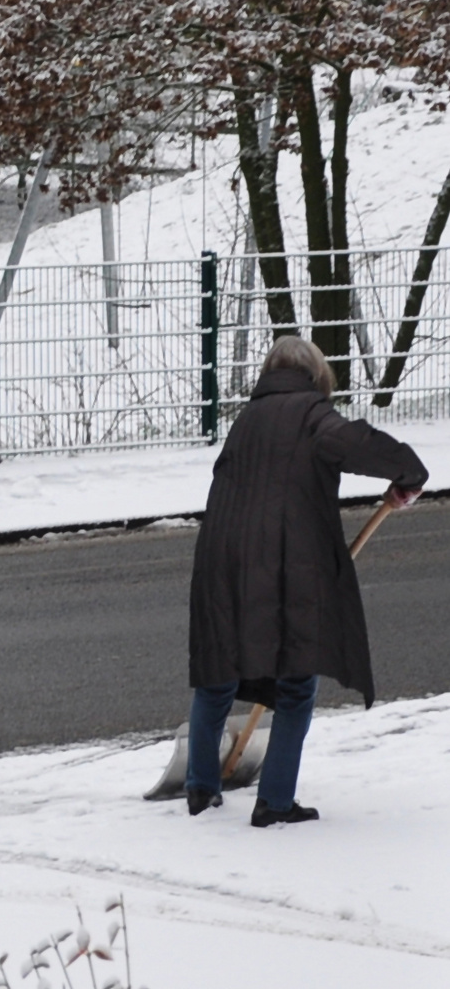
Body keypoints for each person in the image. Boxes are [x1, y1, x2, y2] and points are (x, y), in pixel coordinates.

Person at [187, 335, 425, 826]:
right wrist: (409, 473)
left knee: (219, 671)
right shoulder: (312, 415)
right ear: (317, 376)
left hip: (221, 555)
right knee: (296, 678)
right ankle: (274, 801)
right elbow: (358, 443)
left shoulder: (245, 420)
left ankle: (199, 786)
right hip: (287, 559)